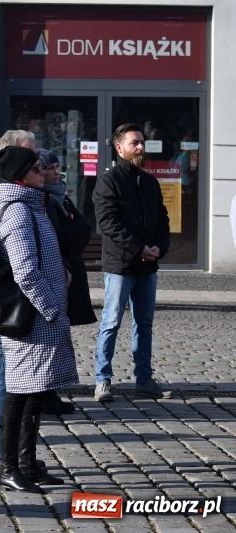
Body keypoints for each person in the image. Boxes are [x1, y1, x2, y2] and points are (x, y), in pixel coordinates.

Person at [0, 131, 73, 479]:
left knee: (34, 393)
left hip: (39, 317)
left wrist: (60, 270)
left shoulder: (33, 203)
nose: (43, 173)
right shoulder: (17, 211)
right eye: (36, 169)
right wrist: (50, 307)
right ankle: (9, 465)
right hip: (31, 317)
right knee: (18, 393)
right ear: (21, 175)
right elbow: (26, 273)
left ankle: (26, 462)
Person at [92, 123, 171, 402]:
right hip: (121, 265)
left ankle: (144, 379)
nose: (140, 147)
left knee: (144, 323)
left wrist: (159, 247)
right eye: (134, 143)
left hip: (148, 266)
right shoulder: (108, 181)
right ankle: (102, 380)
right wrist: (139, 249)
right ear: (119, 148)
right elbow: (109, 224)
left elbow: (163, 219)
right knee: (111, 322)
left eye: (141, 142)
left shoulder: (149, 181)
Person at [39, 148, 97, 327]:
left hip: (73, 264)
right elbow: (55, 235)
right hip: (61, 266)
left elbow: (85, 228)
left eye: (57, 166)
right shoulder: (43, 198)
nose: (56, 171)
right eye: (50, 167)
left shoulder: (61, 196)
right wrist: (73, 232)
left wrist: (72, 232)